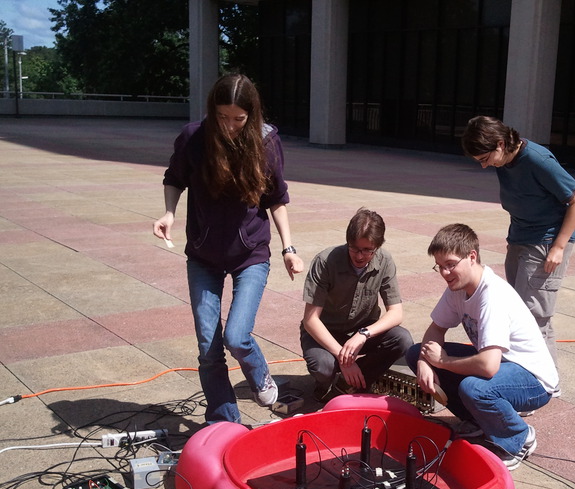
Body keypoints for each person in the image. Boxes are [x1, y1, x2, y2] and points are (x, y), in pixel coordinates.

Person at [153, 74, 304, 425]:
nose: (231, 126)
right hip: (204, 255)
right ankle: (224, 419)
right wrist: (168, 213)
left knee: (237, 336)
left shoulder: (266, 143)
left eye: (239, 119)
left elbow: (277, 199)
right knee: (209, 346)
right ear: (212, 111)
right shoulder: (195, 137)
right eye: (223, 117)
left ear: (252, 114)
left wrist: (289, 248)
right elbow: (174, 177)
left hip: (250, 254)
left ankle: (261, 377)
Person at [406, 224, 559, 470]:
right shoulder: (458, 287)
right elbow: (436, 329)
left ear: (472, 257)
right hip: (501, 366)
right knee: (415, 353)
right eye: (440, 266)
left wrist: (441, 362)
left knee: (475, 388)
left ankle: (519, 438)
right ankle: (477, 420)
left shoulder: (491, 296)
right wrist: (425, 361)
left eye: (451, 264)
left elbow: (488, 367)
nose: (445, 273)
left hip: (534, 381)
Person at [461, 116, 575, 369]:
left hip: (545, 242)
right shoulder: (505, 161)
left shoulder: (537, 160)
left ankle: (537, 383)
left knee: (532, 318)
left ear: (500, 144)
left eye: (485, 159)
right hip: (520, 238)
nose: (485, 166)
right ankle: (537, 378)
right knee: (524, 315)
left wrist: (559, 247)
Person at [301, 208, 413, 401]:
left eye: (367, 250)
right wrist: (342, 357)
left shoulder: (384, 261)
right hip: (326, 331)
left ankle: (354, 380)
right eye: (354, 249)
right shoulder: (325, 261)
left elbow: (396, 313)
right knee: (323, 367)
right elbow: (310, 320)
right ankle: (329, 383)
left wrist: (363, 334)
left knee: (403, 340)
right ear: (347, 242)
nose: (360, 256)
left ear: (377, 246)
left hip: (361, 330)